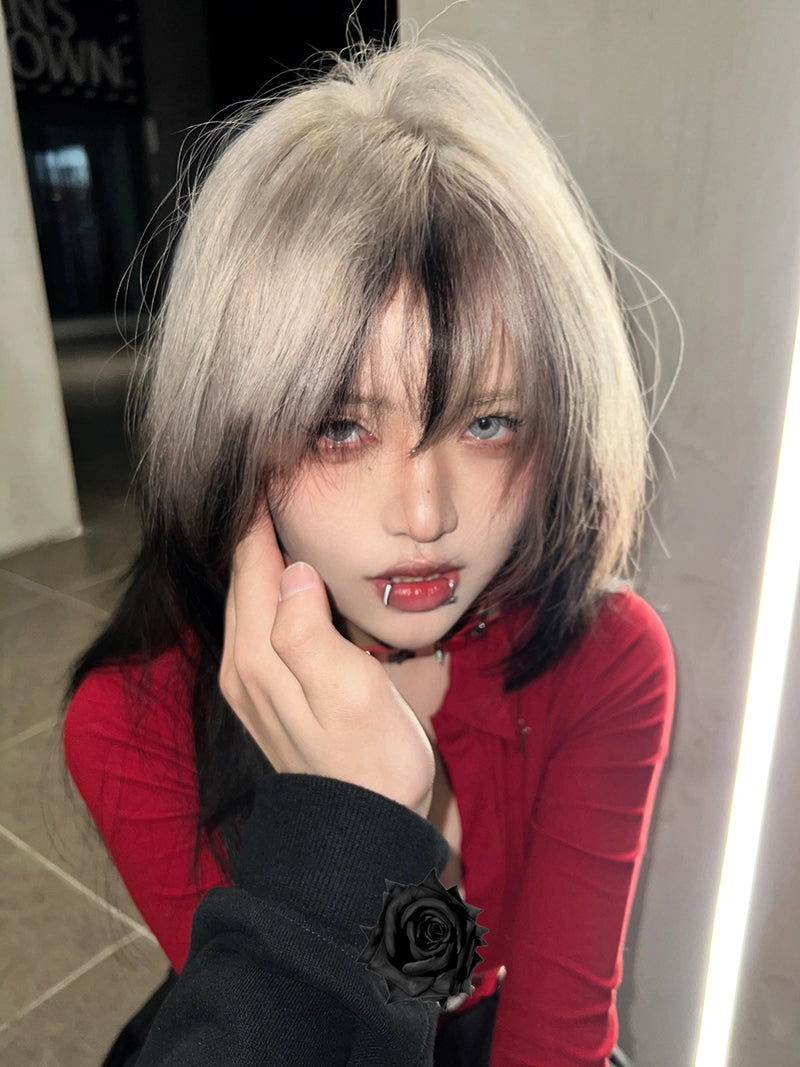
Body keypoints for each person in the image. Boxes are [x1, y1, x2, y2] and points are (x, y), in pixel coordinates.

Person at [62, 36, 675, 1066]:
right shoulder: (133, 721)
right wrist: (360, 820)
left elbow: (556, 1035)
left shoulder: (605, 660)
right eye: (339, 427)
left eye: (488, 422)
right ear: (231, 439)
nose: (425, 512)